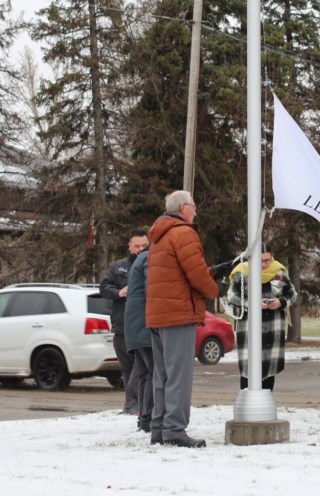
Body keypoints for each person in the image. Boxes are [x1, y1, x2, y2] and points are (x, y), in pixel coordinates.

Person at [145, 190, 219, 447]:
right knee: (179, 375)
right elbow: (196, 276)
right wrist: (213, 289)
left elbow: (175, 273)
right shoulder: (184, 233)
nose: (196, 211)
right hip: (177, 315)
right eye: (193, 205)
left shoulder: (158, 236)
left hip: (157, 314)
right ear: (182, 208)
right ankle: (175, 430)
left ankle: (159, 428)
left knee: (162, 375)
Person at [226, 245, 297, 391]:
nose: (264, 264)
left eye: (267, 260)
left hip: (273, 329)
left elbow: (292, 294)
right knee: (248, 370)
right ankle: (247, 407)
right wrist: (252, 304)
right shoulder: (243, 272)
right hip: (248, 329)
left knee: (268, 371)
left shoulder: (279, 272)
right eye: (261, 261)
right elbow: (232, 296)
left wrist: (280, 302)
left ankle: (266, 405)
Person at [100, 229, 149, 415]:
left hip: (143, 325)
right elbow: (104, 287)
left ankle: (135, 404)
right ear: (129, 247)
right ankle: (132, 405)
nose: (141, 249)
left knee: (141, 365)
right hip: (122, 326)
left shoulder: (153, 264)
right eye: (137, 246)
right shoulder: (118, 266)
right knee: (128, 368)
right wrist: (119, 293)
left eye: (145, 245)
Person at [124, 247, 153, 434]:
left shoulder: (140, 258)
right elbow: (153, 286)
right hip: (144, 325)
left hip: (134, 325)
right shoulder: (149, 258)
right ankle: (148, 419)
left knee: (144, 374)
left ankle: (144, 419)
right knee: (152, 373)